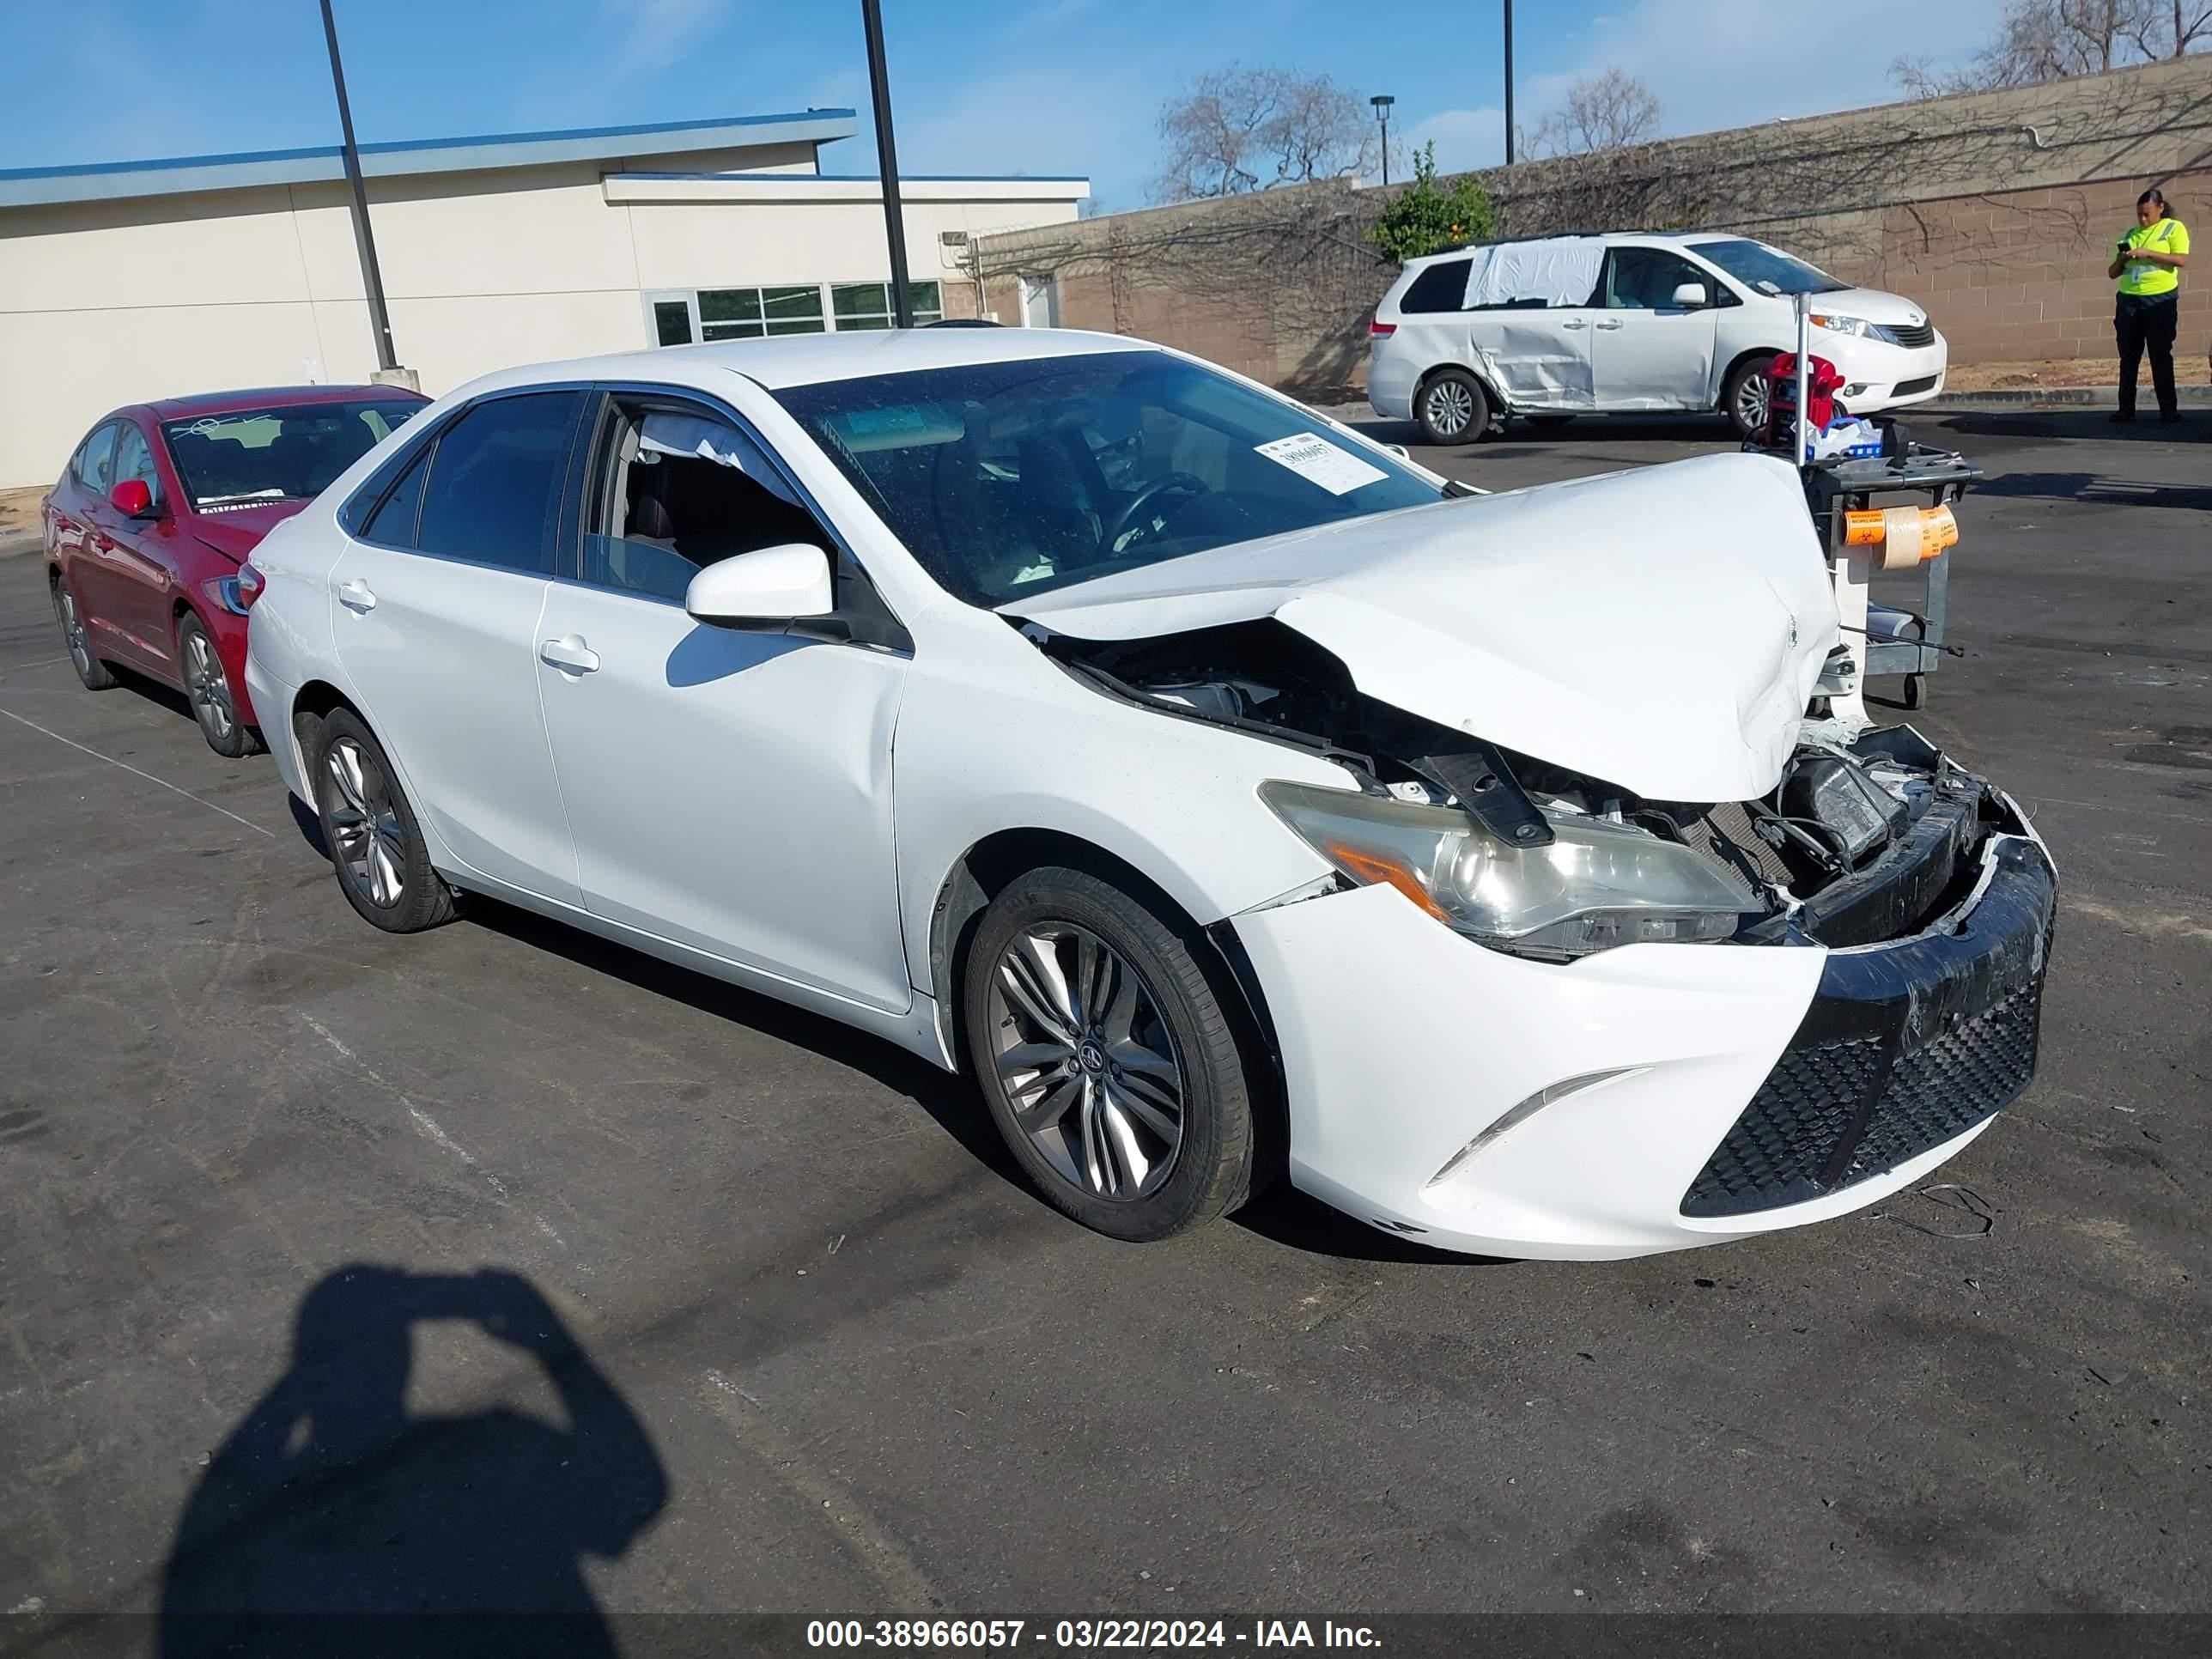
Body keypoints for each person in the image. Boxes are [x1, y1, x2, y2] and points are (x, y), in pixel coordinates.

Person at [2106, 187, 2190, 423]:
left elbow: (2181, 259)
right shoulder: (2131, 234)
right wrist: (2122, 258)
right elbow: (2112, 273)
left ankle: (2168, 410)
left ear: (2160, 208)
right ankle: (2125, 408)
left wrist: (2149, 253)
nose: (2143, 220)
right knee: (2129, 356)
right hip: (2129, 301)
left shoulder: (2173, 228)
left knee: (2160, 354)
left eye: (2147, 214)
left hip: (2160, 300)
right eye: (2139, 214)